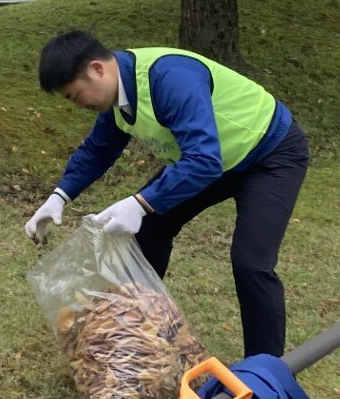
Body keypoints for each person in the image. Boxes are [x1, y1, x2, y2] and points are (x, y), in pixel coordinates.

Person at [26, 32, 308, 358]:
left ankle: (266, 371)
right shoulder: (117, 94)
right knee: (148, 229)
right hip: (211, 159)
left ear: (97, 70)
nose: (80, 105)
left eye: (76, 96)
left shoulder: (169, 78)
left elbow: (203, 160)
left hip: (269, 153)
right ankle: (136, 328)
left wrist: (141, 202)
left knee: (251, 263)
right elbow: (98, 150)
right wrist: (60, 196)